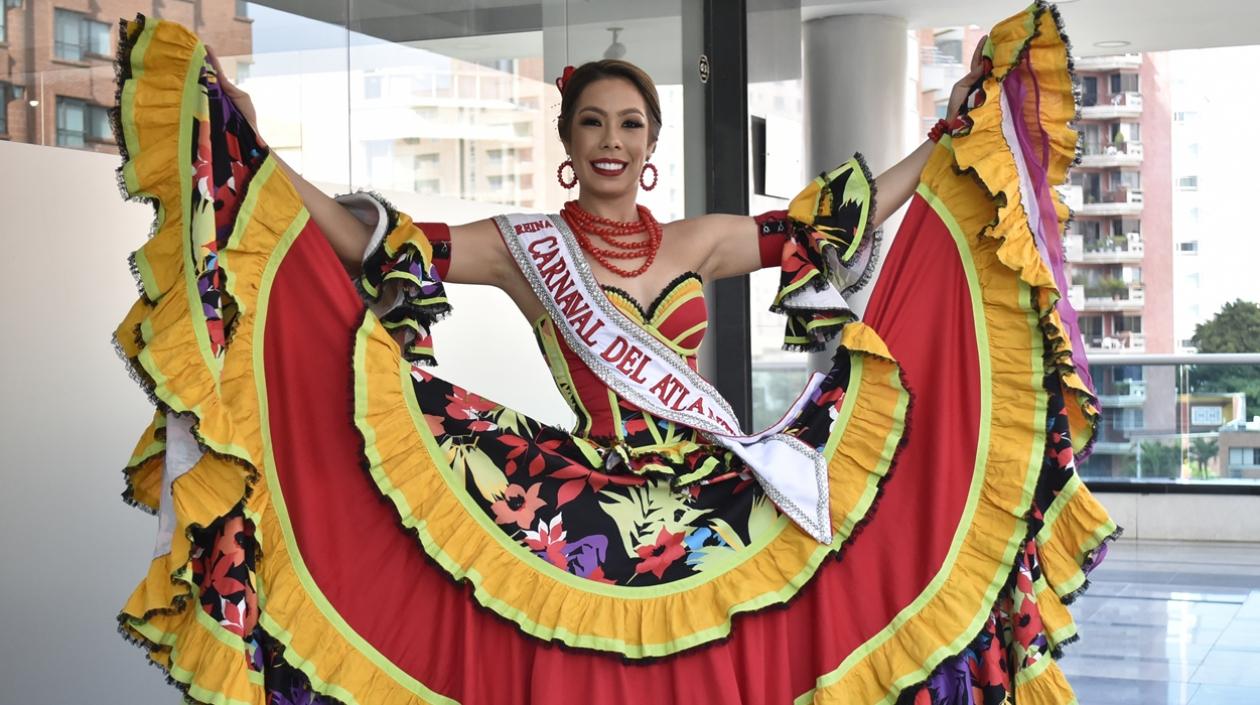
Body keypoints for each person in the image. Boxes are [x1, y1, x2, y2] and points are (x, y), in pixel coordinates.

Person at [110, 3, 1116, 704]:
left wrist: (951, 138)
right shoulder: (523, 246)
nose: (611, 140)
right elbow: (387, 243)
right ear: (569, 139)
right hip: (583, 482)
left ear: (651, 144)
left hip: (715, 478)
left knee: (784, 607)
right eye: (592, 121)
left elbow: (830, 224)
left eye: (629, 124)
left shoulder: (700, 242)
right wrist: (263, 165)